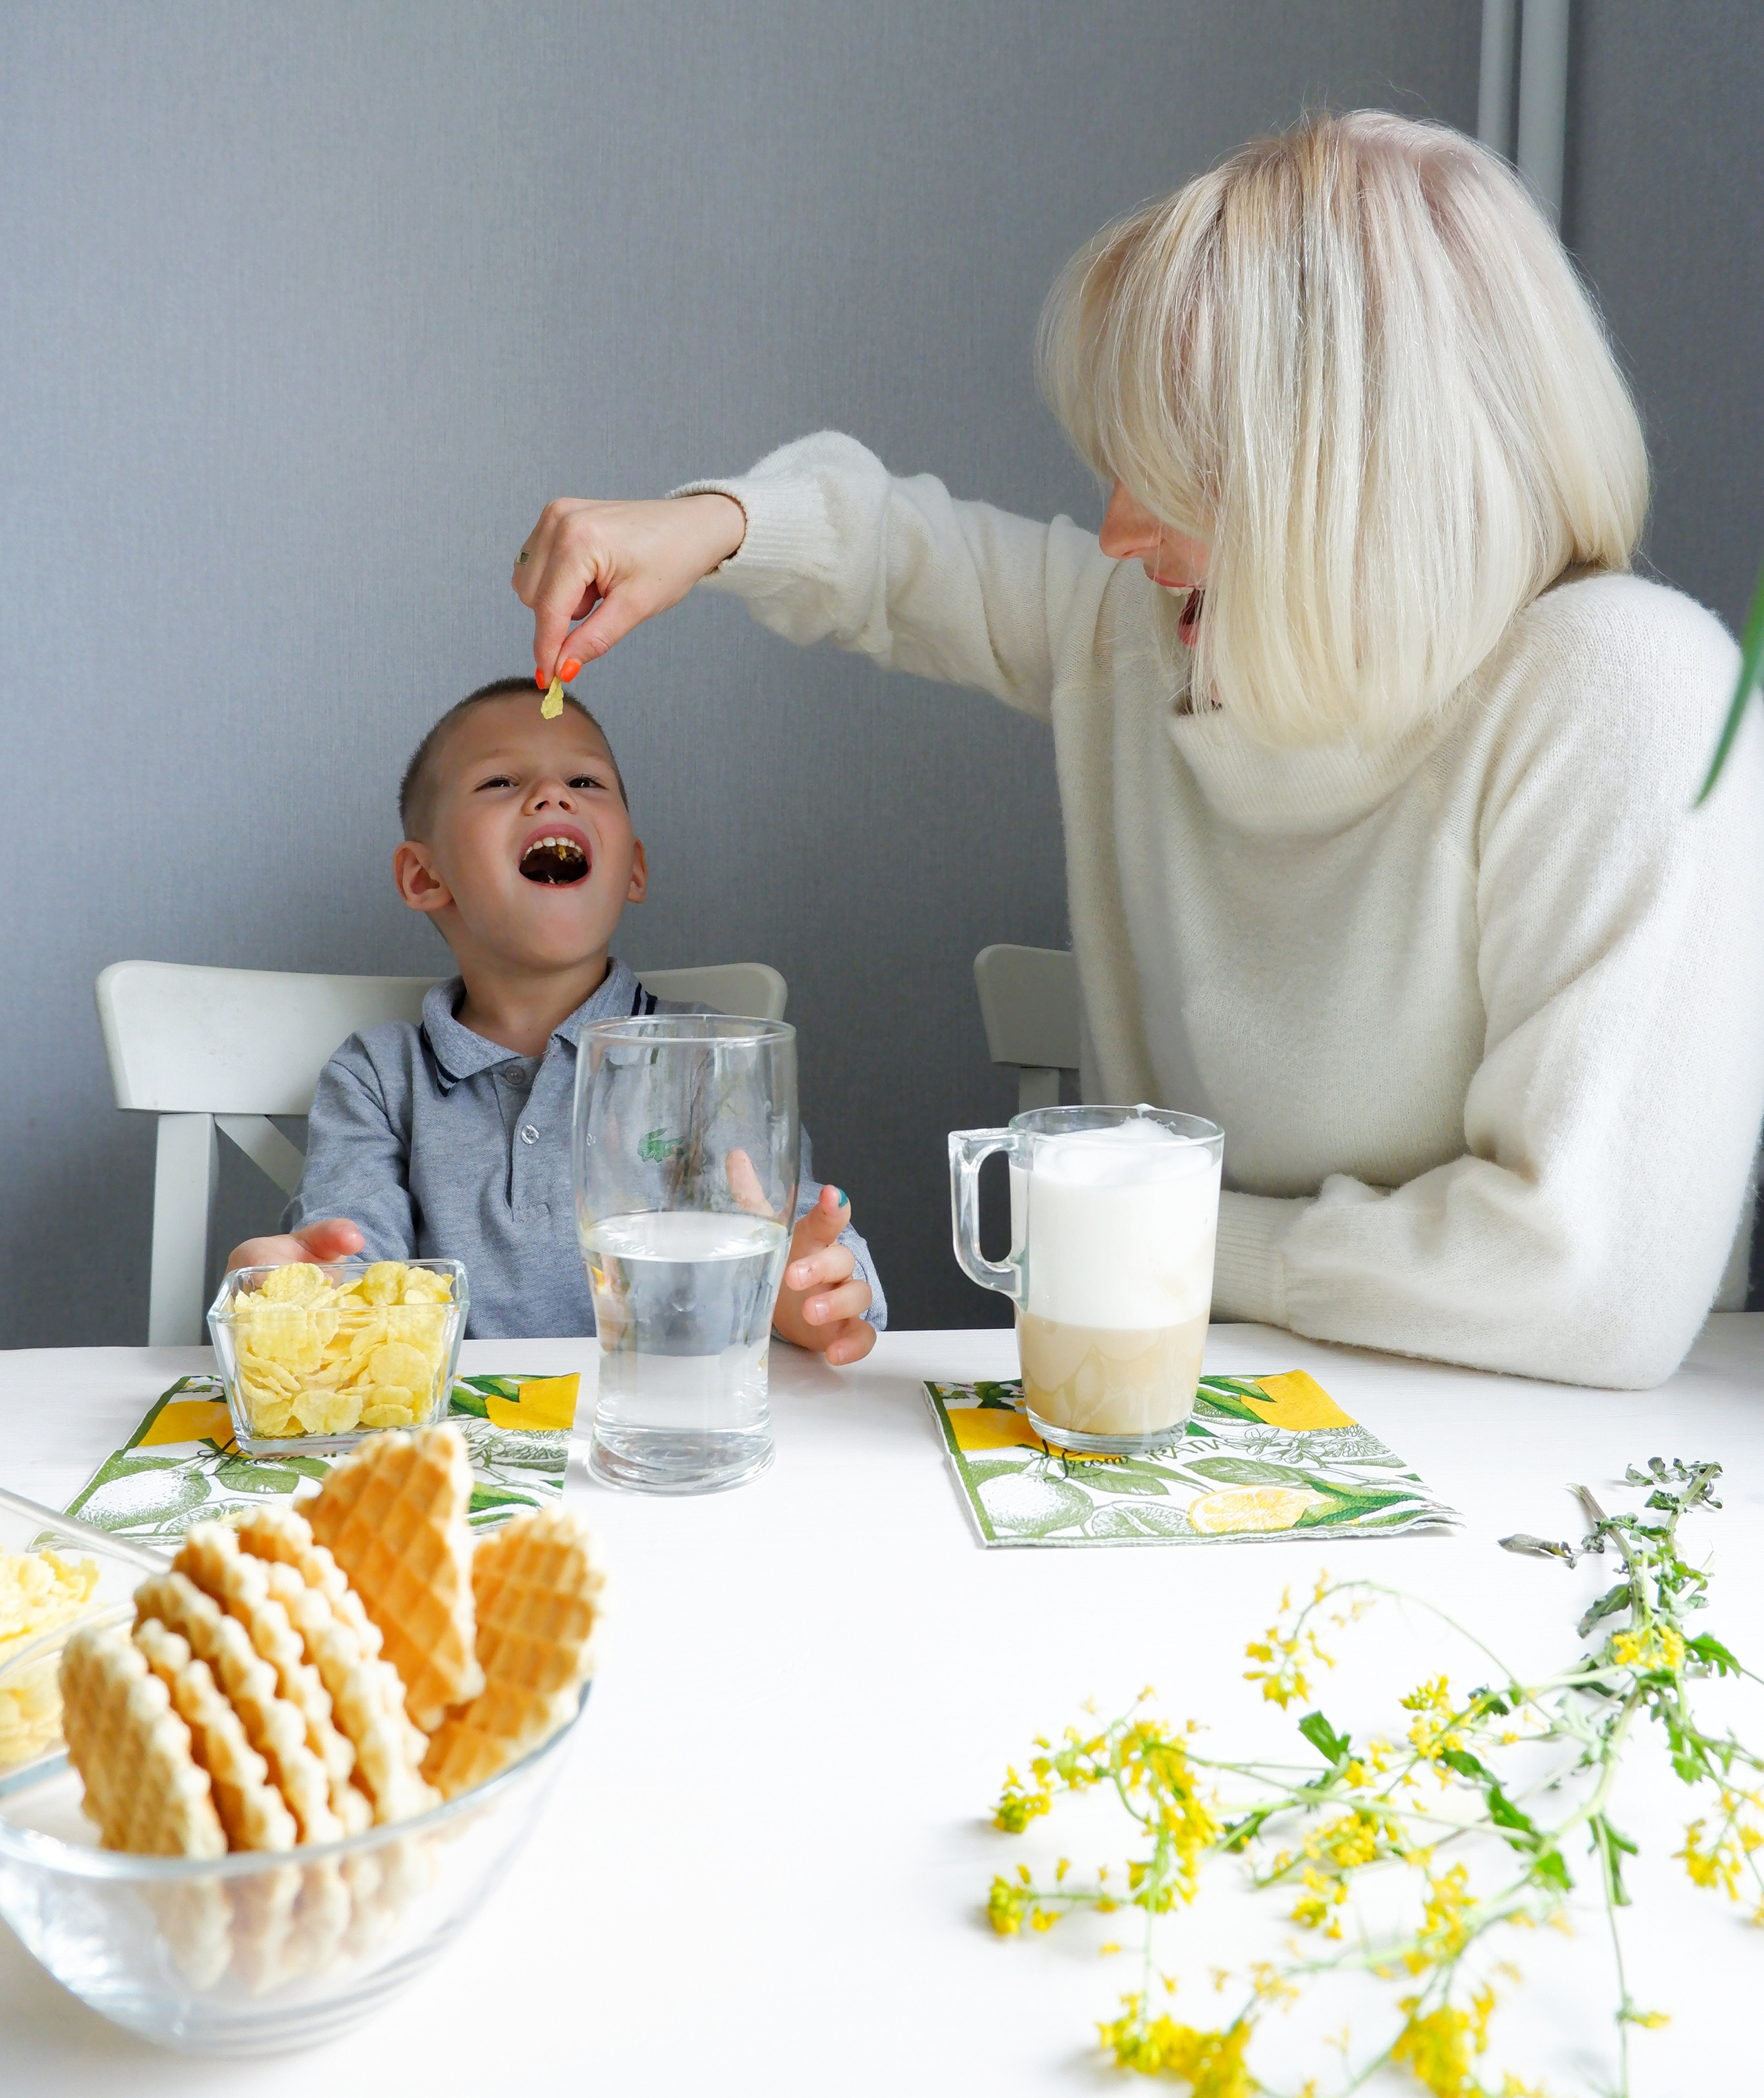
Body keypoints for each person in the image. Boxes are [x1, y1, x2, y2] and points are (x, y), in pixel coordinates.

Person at [511, 110, 1764, 1391]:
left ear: (1354, 479)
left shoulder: (1623, 691)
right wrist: (707, 524)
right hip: (1184, 1419)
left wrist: (1154, 1236)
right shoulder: (1151, 642)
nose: (1116, 529)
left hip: (1555, 1474)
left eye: (1175, 471)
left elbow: (1587, 1287)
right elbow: (903, 558)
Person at [227, 678, 884, 1361]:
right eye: (502, 781)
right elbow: (352, 1274)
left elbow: (795, 1243)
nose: (552, 795)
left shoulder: (705, 1059)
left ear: (632, 867)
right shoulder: (377, 1078)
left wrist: (809, 1292)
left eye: (585, 780)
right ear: (424, 878)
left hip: (661, 1432)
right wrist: (303, 1290)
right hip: (462, 1445)